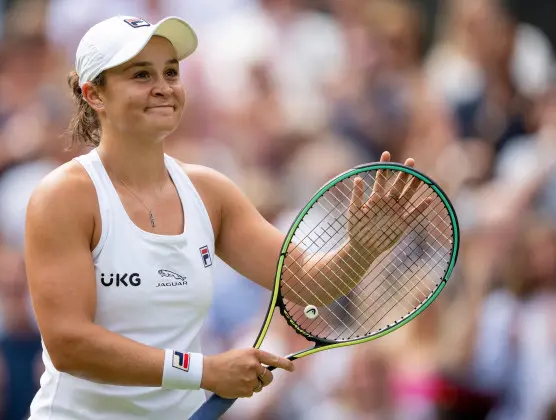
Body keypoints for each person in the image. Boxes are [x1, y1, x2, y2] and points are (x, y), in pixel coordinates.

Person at [24, 15, 423, 420]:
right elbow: (69, 344)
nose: (163, 87)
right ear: (94, 95)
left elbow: (310, 285)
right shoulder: (63, 197)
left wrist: (361, 250)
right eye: (141, 75)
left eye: (171, 72)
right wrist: (204, 371)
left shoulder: (209, 192)